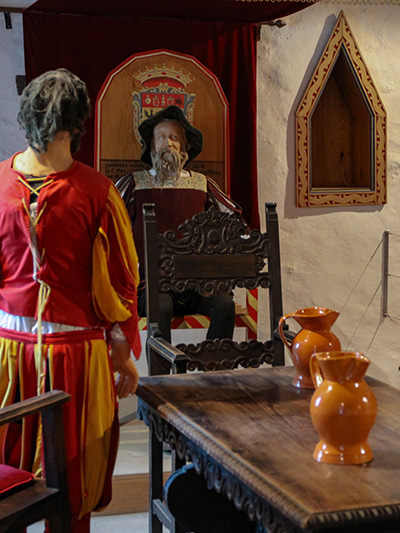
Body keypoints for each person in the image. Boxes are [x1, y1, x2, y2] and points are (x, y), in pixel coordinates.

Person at [0, 68, 141, 532]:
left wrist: (120, 353)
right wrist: (122, 355)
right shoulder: (94, 192)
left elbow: (119, 283)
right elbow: (121, 286)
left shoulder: (96, 193)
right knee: (12, 478)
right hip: (13, 356)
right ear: (75, 126)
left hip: (73, 358)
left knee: (70, 488)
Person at [116, 105, 242, 371]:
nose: (167, 143)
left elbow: (233, 221)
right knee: (159, 306)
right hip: (152, 282)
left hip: (197, 283)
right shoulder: (133, 184)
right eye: (161, 137)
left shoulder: (202, 184)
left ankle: (211, 378)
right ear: (151, 145)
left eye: (174, 138)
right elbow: (110, 224)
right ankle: (163, 385)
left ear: (184, 146)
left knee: (224, 305)